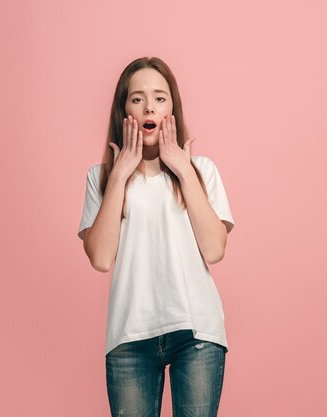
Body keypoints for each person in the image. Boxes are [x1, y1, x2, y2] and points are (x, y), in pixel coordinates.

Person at [77, 56, 235, 417]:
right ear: (124, 110)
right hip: (129, 338)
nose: (150, 105)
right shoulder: (99, 177)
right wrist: (120, 174)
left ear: (171, 109)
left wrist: (181, 168)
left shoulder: (201, 170)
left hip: (197, 334)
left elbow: (214, 249)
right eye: (138, 98)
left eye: (160, 97)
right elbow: (100, 259)